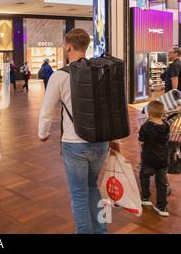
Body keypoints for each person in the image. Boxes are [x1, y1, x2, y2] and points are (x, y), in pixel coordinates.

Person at [38, 28, 120, 234]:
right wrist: (112, 137)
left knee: (78, 194)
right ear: (86, 46)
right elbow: (107, 107)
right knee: (93, 186)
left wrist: (43, 133)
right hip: (100, 142)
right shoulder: (100, 72)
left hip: (74, 144)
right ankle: (101, 230)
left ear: (68, 46)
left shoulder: (60, 76)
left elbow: (46, 111)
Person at [139, 101, 170, 217]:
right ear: (162, 113)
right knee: (162, 182)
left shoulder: (145, 127)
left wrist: (140, 132)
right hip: (163, 159)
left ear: (149, 113)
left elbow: (141, 141)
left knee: (144, 176)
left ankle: (145, 197)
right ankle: (162, 206)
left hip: (149, 158)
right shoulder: (166, 125)